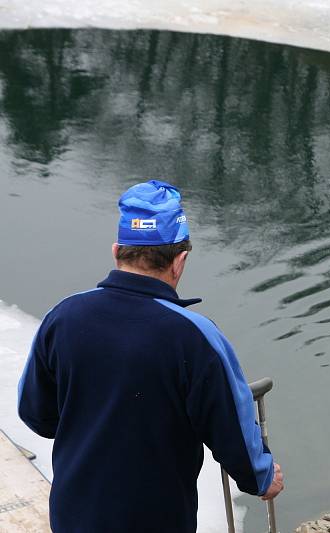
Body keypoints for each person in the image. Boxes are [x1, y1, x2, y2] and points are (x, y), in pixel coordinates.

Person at [17, 180, 283, 532]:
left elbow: (35, 414)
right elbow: (231, 423)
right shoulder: (194, 336)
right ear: (180, 260)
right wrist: (262, 477)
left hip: (74, 516)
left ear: (116, 251)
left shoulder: (63, 317)